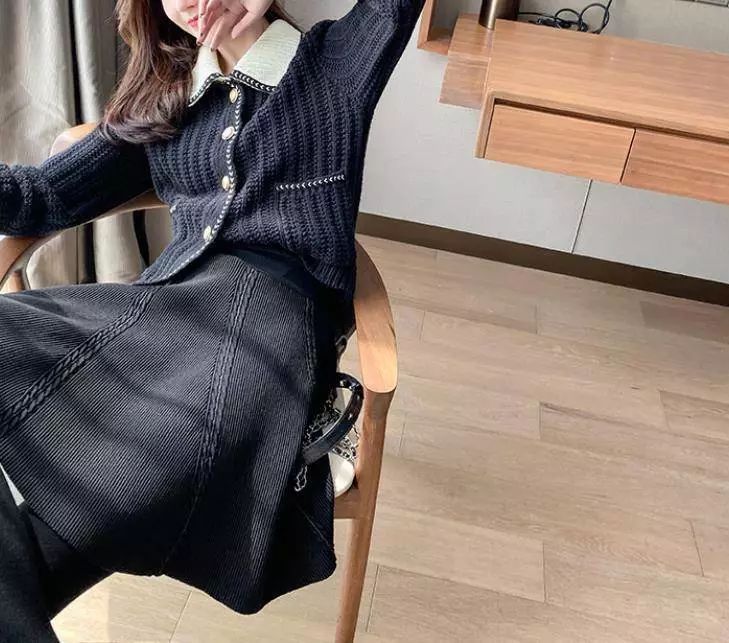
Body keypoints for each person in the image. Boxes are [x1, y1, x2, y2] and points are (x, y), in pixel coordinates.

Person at [0, 0, 424, 638]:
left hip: (267, 337)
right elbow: (42, 197)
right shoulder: (165, 97)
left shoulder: (338, 63)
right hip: (159, 311)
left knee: (132, 476)